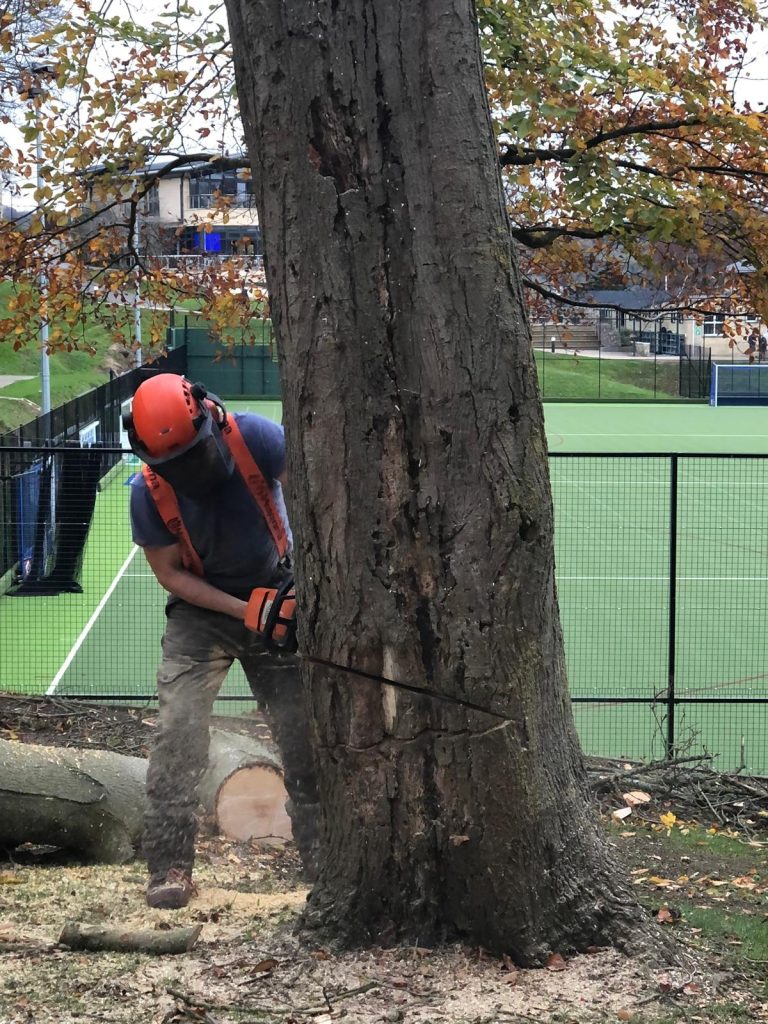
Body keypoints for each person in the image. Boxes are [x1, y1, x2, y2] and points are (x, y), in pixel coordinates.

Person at [125, 373, 318, 909]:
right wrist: (241, 612)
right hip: (202, 611)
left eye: (193, 455)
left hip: (278, 589)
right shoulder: (148, 492)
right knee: (179, 733)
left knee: (303, 731)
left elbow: (309, 502)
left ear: (208, 415)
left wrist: (301, 582)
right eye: (175, 464)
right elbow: (171, 574)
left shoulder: (257, 437)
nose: (189, 471)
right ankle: (169, 866)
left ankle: (324, 855)